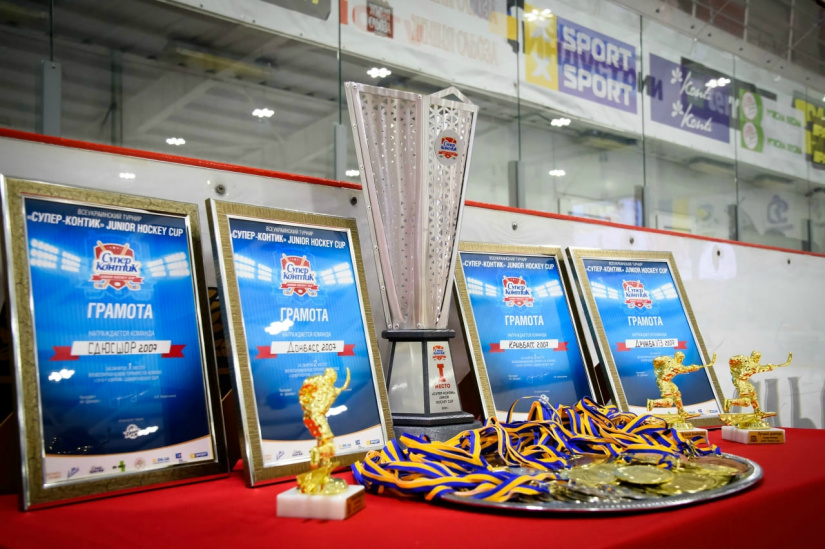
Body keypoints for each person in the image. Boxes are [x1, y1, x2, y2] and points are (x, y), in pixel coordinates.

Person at [646, 351, 715, 414]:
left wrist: (694, 367)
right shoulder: (668, 360)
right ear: (676, 357)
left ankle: (681, 411)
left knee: (677, 394)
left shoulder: (678, 366)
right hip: (663, 381)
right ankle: (652, 402)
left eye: (682, 358)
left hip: (668, 382)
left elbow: (686, 369)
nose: (681, 359)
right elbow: (658, 359)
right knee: (669, 402)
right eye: (680, 357)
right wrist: (657, 362)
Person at [723, 351, 792, 413]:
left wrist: (771, 367)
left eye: (758, 357)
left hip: (744, 381)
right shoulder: (745, 359)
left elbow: (764, 368)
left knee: (753, 393)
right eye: (757, 357)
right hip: (739, 380)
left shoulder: (756, 366)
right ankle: (729, 402)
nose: (757, 359)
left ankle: (757, 410)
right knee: (747, 402)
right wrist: (734, 370)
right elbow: (732, 360)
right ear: (752, 356)